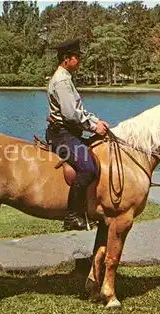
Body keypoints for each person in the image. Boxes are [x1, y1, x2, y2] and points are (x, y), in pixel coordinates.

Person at [45, 39, 109, 231]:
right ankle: (72, 216)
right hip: (63, 135)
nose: (79, 61)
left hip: (69, 131)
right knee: (88, 168)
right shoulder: (62, 81)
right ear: (67, 59)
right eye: (77, 57)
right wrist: (93, 127)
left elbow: (78, 110)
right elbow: (71, 114)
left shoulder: (66, 78)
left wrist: (97, 122)